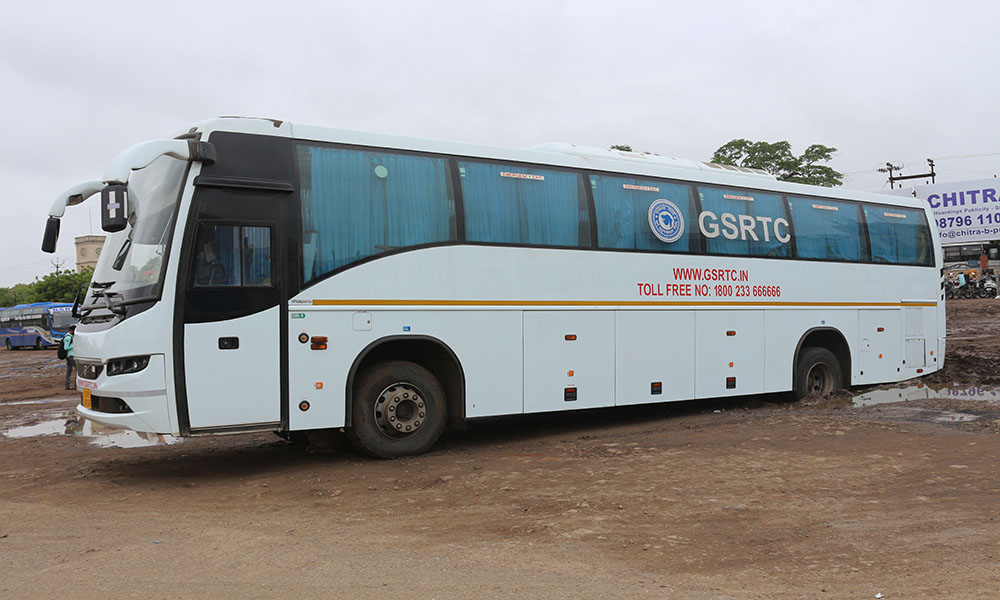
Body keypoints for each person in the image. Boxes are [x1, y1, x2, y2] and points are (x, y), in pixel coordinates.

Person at [63, 326, 76, 390]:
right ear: (72, 330)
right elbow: (66, 347)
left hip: (69, 356)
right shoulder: (68, 337)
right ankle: (76, 385)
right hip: (71, 355)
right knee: (78, 370)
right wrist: (74, 346)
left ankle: (67, 385)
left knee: (69, 371)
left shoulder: (70, 336)